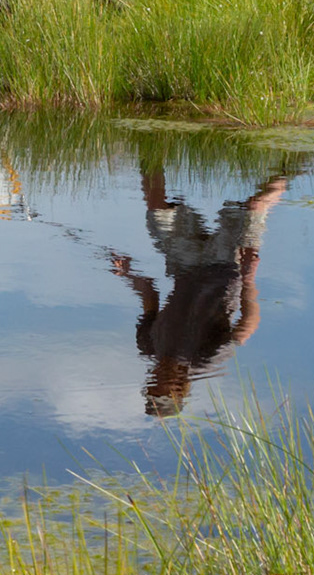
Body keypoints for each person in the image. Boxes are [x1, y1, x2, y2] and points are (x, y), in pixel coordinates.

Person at [107, 162, 292, 416]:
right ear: (179, 390)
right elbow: (247, 326)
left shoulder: (148, 345)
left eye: (152, 388)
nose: (156, 383)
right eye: (162, 391)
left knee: (156, 206)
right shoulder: (206, 358)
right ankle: (293, 165)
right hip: (227, 268)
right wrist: (248, 278)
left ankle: (151, 146)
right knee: (255, 207)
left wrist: (127, 273)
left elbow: (150, 295)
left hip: (185, 266)